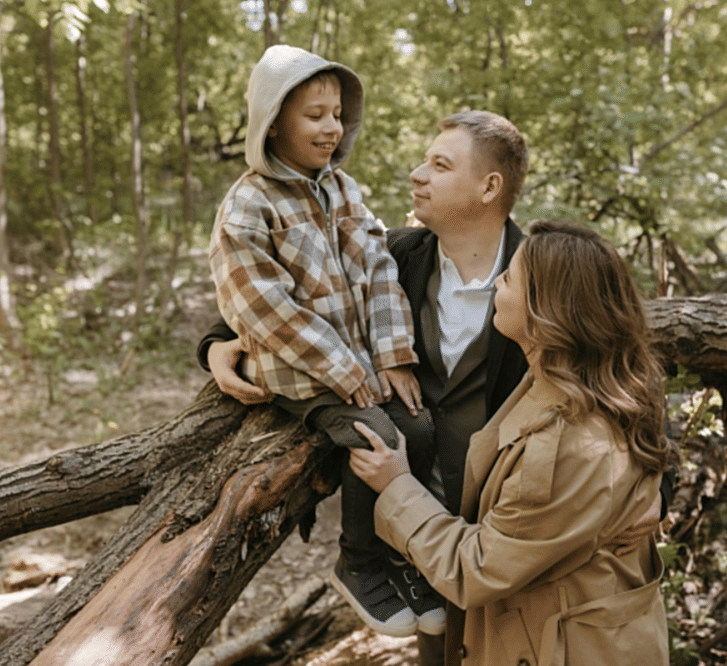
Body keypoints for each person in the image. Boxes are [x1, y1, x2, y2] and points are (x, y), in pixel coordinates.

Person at [349, 219, 678, 665]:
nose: (496, 281)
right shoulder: (595, 378)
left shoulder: (569, 445)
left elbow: (476, 568)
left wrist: (395, 485)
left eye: (509, 278)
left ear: (546, 315)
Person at [207, 44, 441, 638]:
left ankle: (401, 551)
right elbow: (263, 309)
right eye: (314, 115)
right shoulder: (248, 206)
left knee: (418, 427)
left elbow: (379, 269)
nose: (331, 127)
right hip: (300, 373)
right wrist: (345, 369)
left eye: (337, 114)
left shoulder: (343, 189)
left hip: (361, 361)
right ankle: (358, 562)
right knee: (377, 434)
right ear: (273, 122)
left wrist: (393, 355)